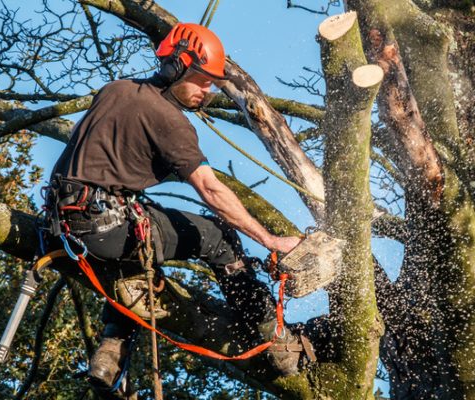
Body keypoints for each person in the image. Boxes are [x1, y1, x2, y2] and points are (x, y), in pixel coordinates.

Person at [45, 23, 311, 399]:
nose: (208, 91)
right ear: (176, 68)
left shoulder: (115, 91)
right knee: (218, 236)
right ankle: (274, 340)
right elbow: (210, 188)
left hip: (61, 224)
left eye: (213, 84)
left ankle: (110, 351)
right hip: (104, 227)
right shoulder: (170, 121)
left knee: (139, 252)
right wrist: (270, 240)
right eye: (202, 81)